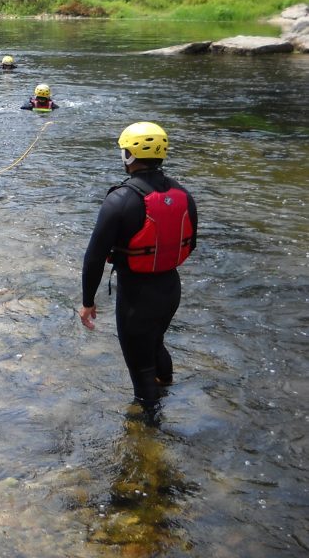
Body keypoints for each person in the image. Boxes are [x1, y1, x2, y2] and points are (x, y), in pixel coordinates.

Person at [80, 122, 197, 423]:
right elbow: (190, 243)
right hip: (170, 289)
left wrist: (87, 301)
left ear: (129, 156)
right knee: (155, 342)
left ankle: (148, 434)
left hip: (136, 297)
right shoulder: (183, 194)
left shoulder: (120, 199)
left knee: (140, 369)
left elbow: (94, 258)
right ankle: (166, 386)